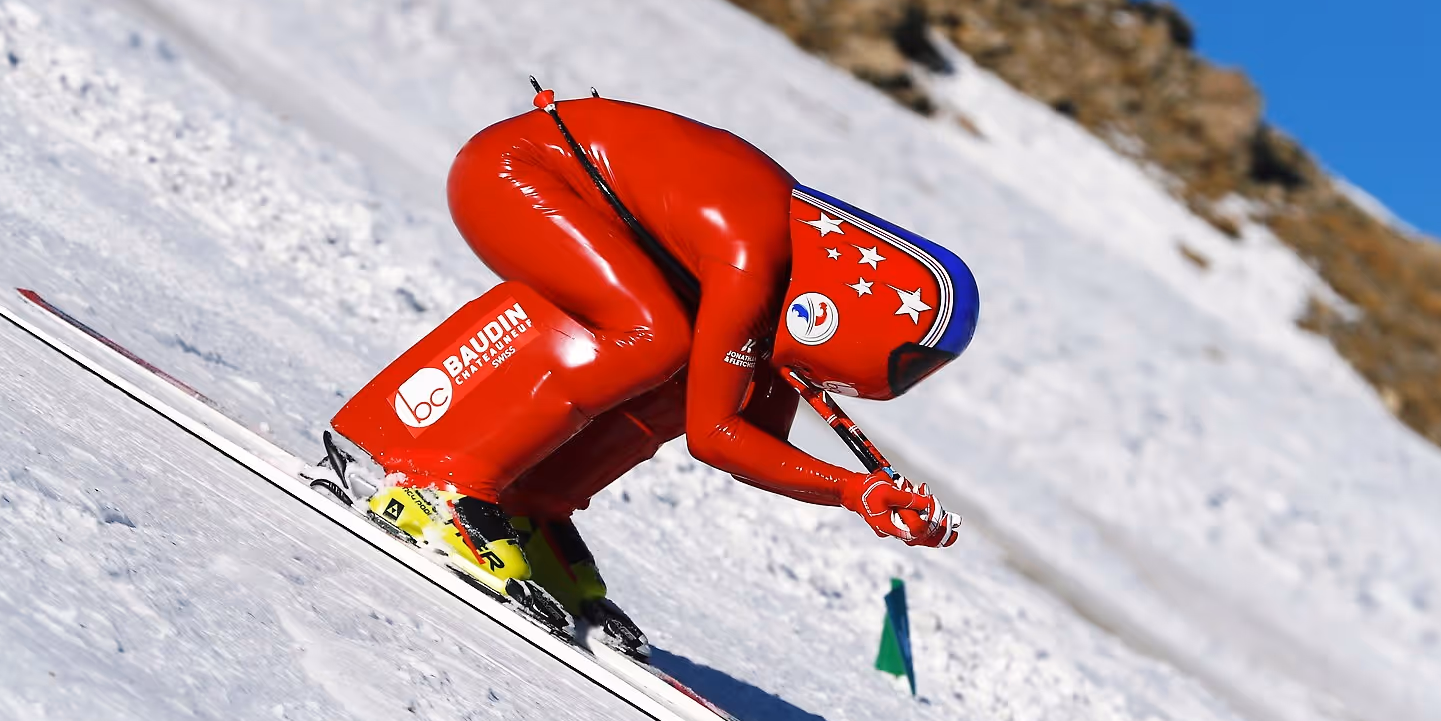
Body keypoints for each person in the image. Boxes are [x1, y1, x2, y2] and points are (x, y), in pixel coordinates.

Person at [318, 95, 978, 658]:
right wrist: (850, 488)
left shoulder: (782, 277)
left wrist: (859, 492)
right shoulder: (754, 256)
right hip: (515, 173)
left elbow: (745, 431)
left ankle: (529, 505)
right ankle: (442, 475)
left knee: (693, 367)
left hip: (555, 188)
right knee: (654, 333)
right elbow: (714, 435)